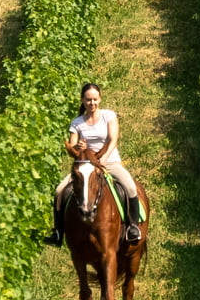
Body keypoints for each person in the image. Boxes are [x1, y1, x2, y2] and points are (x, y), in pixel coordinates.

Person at [56, 82, 145, 243]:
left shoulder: (108, 116)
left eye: (95, 99)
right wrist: (78, 147)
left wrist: (103, 159)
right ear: (82, 100)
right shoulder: (77, 123)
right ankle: (58, 231)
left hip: (108, 162)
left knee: (131, 187)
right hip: (85, 166)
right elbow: (73, 145)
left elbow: (113, 140)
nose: (92, 103)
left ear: (100, 99)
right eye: (88, 100)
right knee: (60, 190)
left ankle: (133, 226)